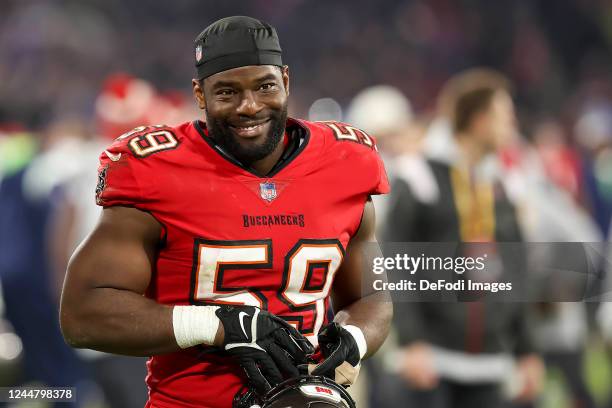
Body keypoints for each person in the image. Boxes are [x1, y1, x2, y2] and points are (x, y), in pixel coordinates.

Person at [60, 16, 392, 408]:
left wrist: (354, 339)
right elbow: (83, 315)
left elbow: (373, 295)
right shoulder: (156, 169)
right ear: (200, 95)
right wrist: (215, 324)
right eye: (227, 92)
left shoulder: (346, 161)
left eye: (265, 86)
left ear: (286, 81)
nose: (249, 106)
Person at [383, 68, 544, 408]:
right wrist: (411, 341)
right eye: (505, 115)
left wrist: (526, 349)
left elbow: (516, 271)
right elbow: (394, 263)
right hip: (430, 358)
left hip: (489, 361)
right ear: (479, 120)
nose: (512, 125)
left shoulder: (504, 184)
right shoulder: (418, 175)